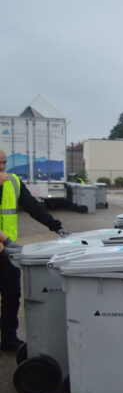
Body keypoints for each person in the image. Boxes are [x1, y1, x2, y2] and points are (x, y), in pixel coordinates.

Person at [0, 148, 69, 351]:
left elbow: (33, 207)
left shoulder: (12, 181)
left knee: (12, 295)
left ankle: (8, 338)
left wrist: (56, 226)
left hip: (8, 251)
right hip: (5, 246)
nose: (2, 168)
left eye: (4, 163)